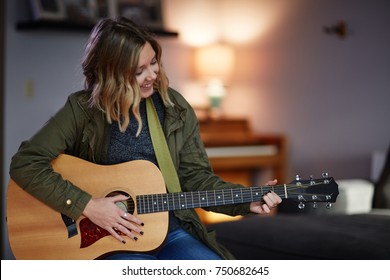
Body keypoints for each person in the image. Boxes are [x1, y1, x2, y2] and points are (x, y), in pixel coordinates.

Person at [9, 17, 282, 260]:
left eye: (153, 62)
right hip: (108, 242)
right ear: (111, 75)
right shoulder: (82, 110)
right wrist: (88, 206)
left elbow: (196, 179)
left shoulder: (173, 107)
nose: (153, 75)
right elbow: (26, 163)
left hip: (171, 232)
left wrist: (246, 201)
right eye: (139, 71)